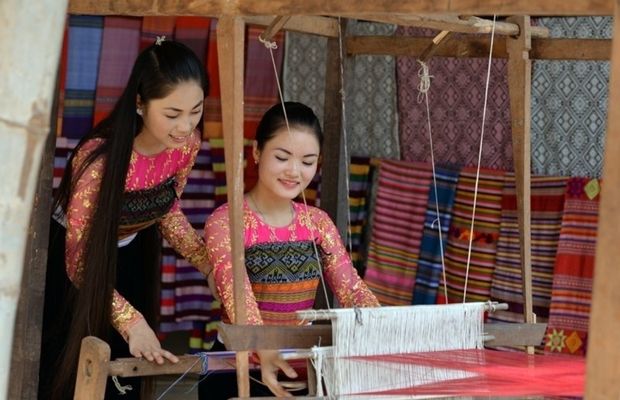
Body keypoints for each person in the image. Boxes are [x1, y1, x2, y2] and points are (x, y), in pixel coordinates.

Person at [38, 39, 214, 400]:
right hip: (73, 266)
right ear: (140, 103)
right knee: (68, 372)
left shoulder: (188, 145)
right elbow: (79, 263)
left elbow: (166, 209)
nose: (185, 127)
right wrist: (130, 321)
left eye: (195, 111)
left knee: (127, 373)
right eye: (172, 114)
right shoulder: (98, 160)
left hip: (132, 256)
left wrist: (208, 265)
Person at [199, 101, 380, 399]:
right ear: (257, 152)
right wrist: (265, 348)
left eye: (308, 162)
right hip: (237, 369)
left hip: (298, 371)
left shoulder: (317, 223)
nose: (294, 172)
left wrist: (385, 326)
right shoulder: (227, 221)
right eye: (282, 157)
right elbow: (238, 296)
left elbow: (351, 290)